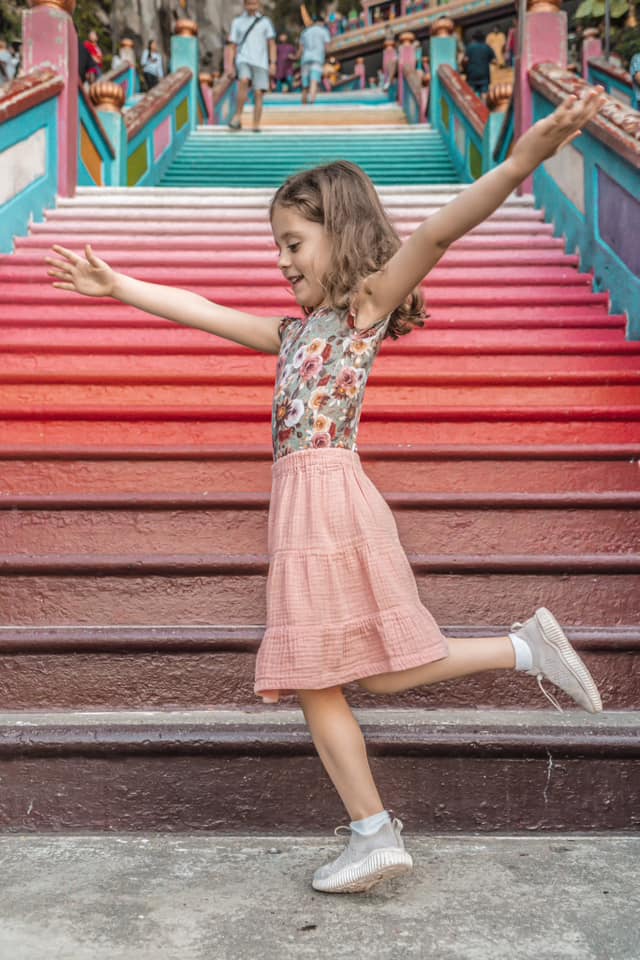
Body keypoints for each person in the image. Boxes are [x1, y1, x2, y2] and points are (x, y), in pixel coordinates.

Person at [45, 86, 606, 896]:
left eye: (292, 243)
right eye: (276, 245)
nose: (280, 260)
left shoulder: (362, 308)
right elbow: (202, 310)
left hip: (331, 497)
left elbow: (441, 232)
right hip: (304, 502)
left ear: (336, 236)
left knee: (318, 672)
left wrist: (524, 158)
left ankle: (376, 832)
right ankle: (524, 653)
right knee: (362, 674)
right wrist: (121, 286)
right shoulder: (292, 333)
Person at [228, 0, 277, 132]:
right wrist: (230, 66)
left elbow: (271, 44)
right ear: (244, 5)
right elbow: (232, 45)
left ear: (258, 4)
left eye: (254, 4)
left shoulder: (265, 22)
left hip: (261, 62)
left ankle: (256, 124)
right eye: (249, 4)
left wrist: (273, 63)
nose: (251, 7)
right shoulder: (237, 22)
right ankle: (237, 116)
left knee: (258, 93)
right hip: (243, 59)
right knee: (243, 80)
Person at [298, 14, 331, 105]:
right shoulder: (324, 31)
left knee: (305, 85)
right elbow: (327, 47)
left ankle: (303, 104)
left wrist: (296, 57)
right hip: (317, 59)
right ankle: (311, 102)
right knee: (314, 81)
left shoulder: (305, 32)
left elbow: (301, 49)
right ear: (321, 22)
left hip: (305, 59)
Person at [462, 29, 496, 100]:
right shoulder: (487, 47)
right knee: (484, 92)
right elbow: (494, 61)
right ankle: (484, 106)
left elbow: (465, 60)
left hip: (472, 74)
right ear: (484, 38)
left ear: (474, 38)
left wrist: (464, 67)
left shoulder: (470, 47)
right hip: (484, 74)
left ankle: (473, 108)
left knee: (471, 93)